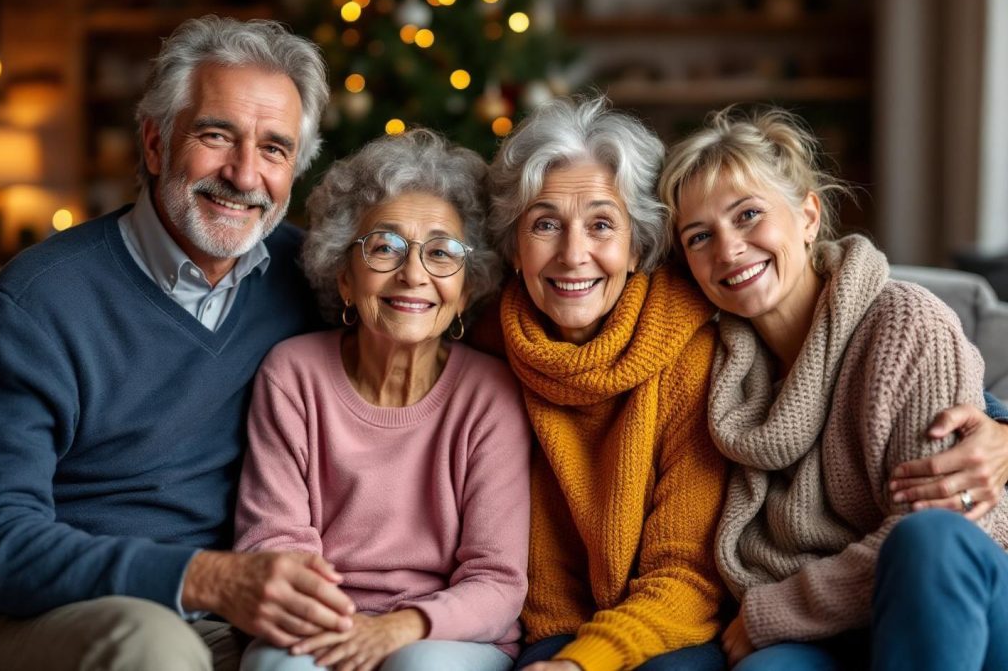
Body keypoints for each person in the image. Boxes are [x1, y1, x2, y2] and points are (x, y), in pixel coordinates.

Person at [0, 16, 345, 671]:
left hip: (249, 612)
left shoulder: (315, 280)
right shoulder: (39, 301)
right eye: (216, 135)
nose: (243, 174)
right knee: (157, 647)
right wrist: (204, 578)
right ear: (154, 143)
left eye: (274, 149)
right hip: (66, 612)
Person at [658, 105, 1008, 670]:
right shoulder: (714, 364)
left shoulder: (905, 324)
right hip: (823, 621)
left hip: (945, 596)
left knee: (926, 539)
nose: (728, 249)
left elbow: (941, 524)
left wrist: (777, 609)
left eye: (748, 215)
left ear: (809, 216)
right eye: (700, 237)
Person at [233, 128, 531, 671]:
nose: (413, 274)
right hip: (320, 620)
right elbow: (273, 542)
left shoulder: (490, 396)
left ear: (465, 290)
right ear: (345, 278)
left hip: (448, 635)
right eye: (385, 247)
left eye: (442, 252)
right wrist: (346, 632)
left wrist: (398, 629)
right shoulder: (293, 375)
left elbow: (496, 580)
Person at [488, 96, 729, 671]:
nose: (574, 256)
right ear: (515, 249)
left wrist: (585, 662)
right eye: (546, 224)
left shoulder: (688, 354)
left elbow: (688, 570)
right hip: (547, 629)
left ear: (638, 245)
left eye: (601, 224)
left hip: (672, 629)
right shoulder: (483, 350)